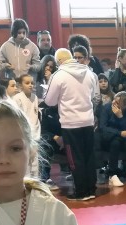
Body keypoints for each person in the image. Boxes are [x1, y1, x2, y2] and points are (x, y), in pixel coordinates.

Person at [44, 47, 99, 201]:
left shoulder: (59, 75)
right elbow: (93, 94)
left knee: (75, 158)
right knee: (89, 155)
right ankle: (91, 189)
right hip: (88, 120)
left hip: (70, 123)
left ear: (59, 61)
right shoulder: (89, 72)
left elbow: (49, 101)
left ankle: (81, 192)